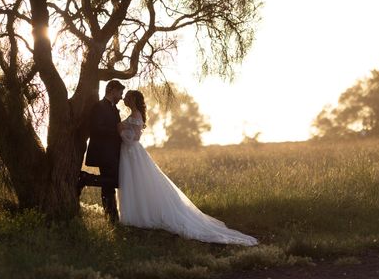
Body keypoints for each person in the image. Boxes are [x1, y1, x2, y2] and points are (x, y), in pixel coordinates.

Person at [117, 89, 258, 246]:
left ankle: (142, 217)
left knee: (138, 182)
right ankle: (135, 215)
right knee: (133, 183)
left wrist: (121, 130)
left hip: (133, 153)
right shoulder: (134, 115)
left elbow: (135, 137)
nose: (124, 100)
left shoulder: (136, 115)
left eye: (127, 97)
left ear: (134, 100)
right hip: (128, 154)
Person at [78, 80, 125, 223]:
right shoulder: (99, 107)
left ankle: (111, 217)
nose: (121, 97)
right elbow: (96, 129)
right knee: (113, 182)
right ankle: (86, 179)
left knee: (112, 183)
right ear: (111, 90)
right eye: (120, 93)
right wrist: (117, 132)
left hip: (113, 153)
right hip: (103, 152)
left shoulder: (113, 108)